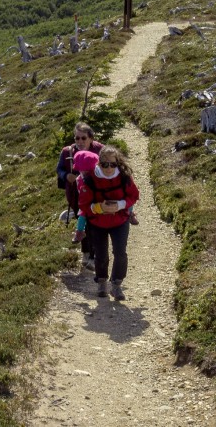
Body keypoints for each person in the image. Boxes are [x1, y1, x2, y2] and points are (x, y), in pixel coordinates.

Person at [77, 145, 140, 300]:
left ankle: (116, 285)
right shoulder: (90, 178)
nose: (109, 168)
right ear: (99, 163)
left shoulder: (124, 176)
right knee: (101, 255)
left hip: (119, 220)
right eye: (105, 164)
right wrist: (99, 208)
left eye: (113, 164)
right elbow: (83, 204)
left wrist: (119, 205)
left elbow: (134, 195)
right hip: (97, 223)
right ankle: (102, 282)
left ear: (118, 164)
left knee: (120, 253)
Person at [57, 123, 103, 270]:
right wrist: (66, 175)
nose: (80, 141)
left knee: (95, 224)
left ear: (91, 138)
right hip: (75, 195)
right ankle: (86, 252)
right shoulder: (67, 153)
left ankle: (94, 256)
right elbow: (59, 169)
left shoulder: (100, 150)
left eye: (83, 138)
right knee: (81, 223)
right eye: (77, 138)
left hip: (97, 195)